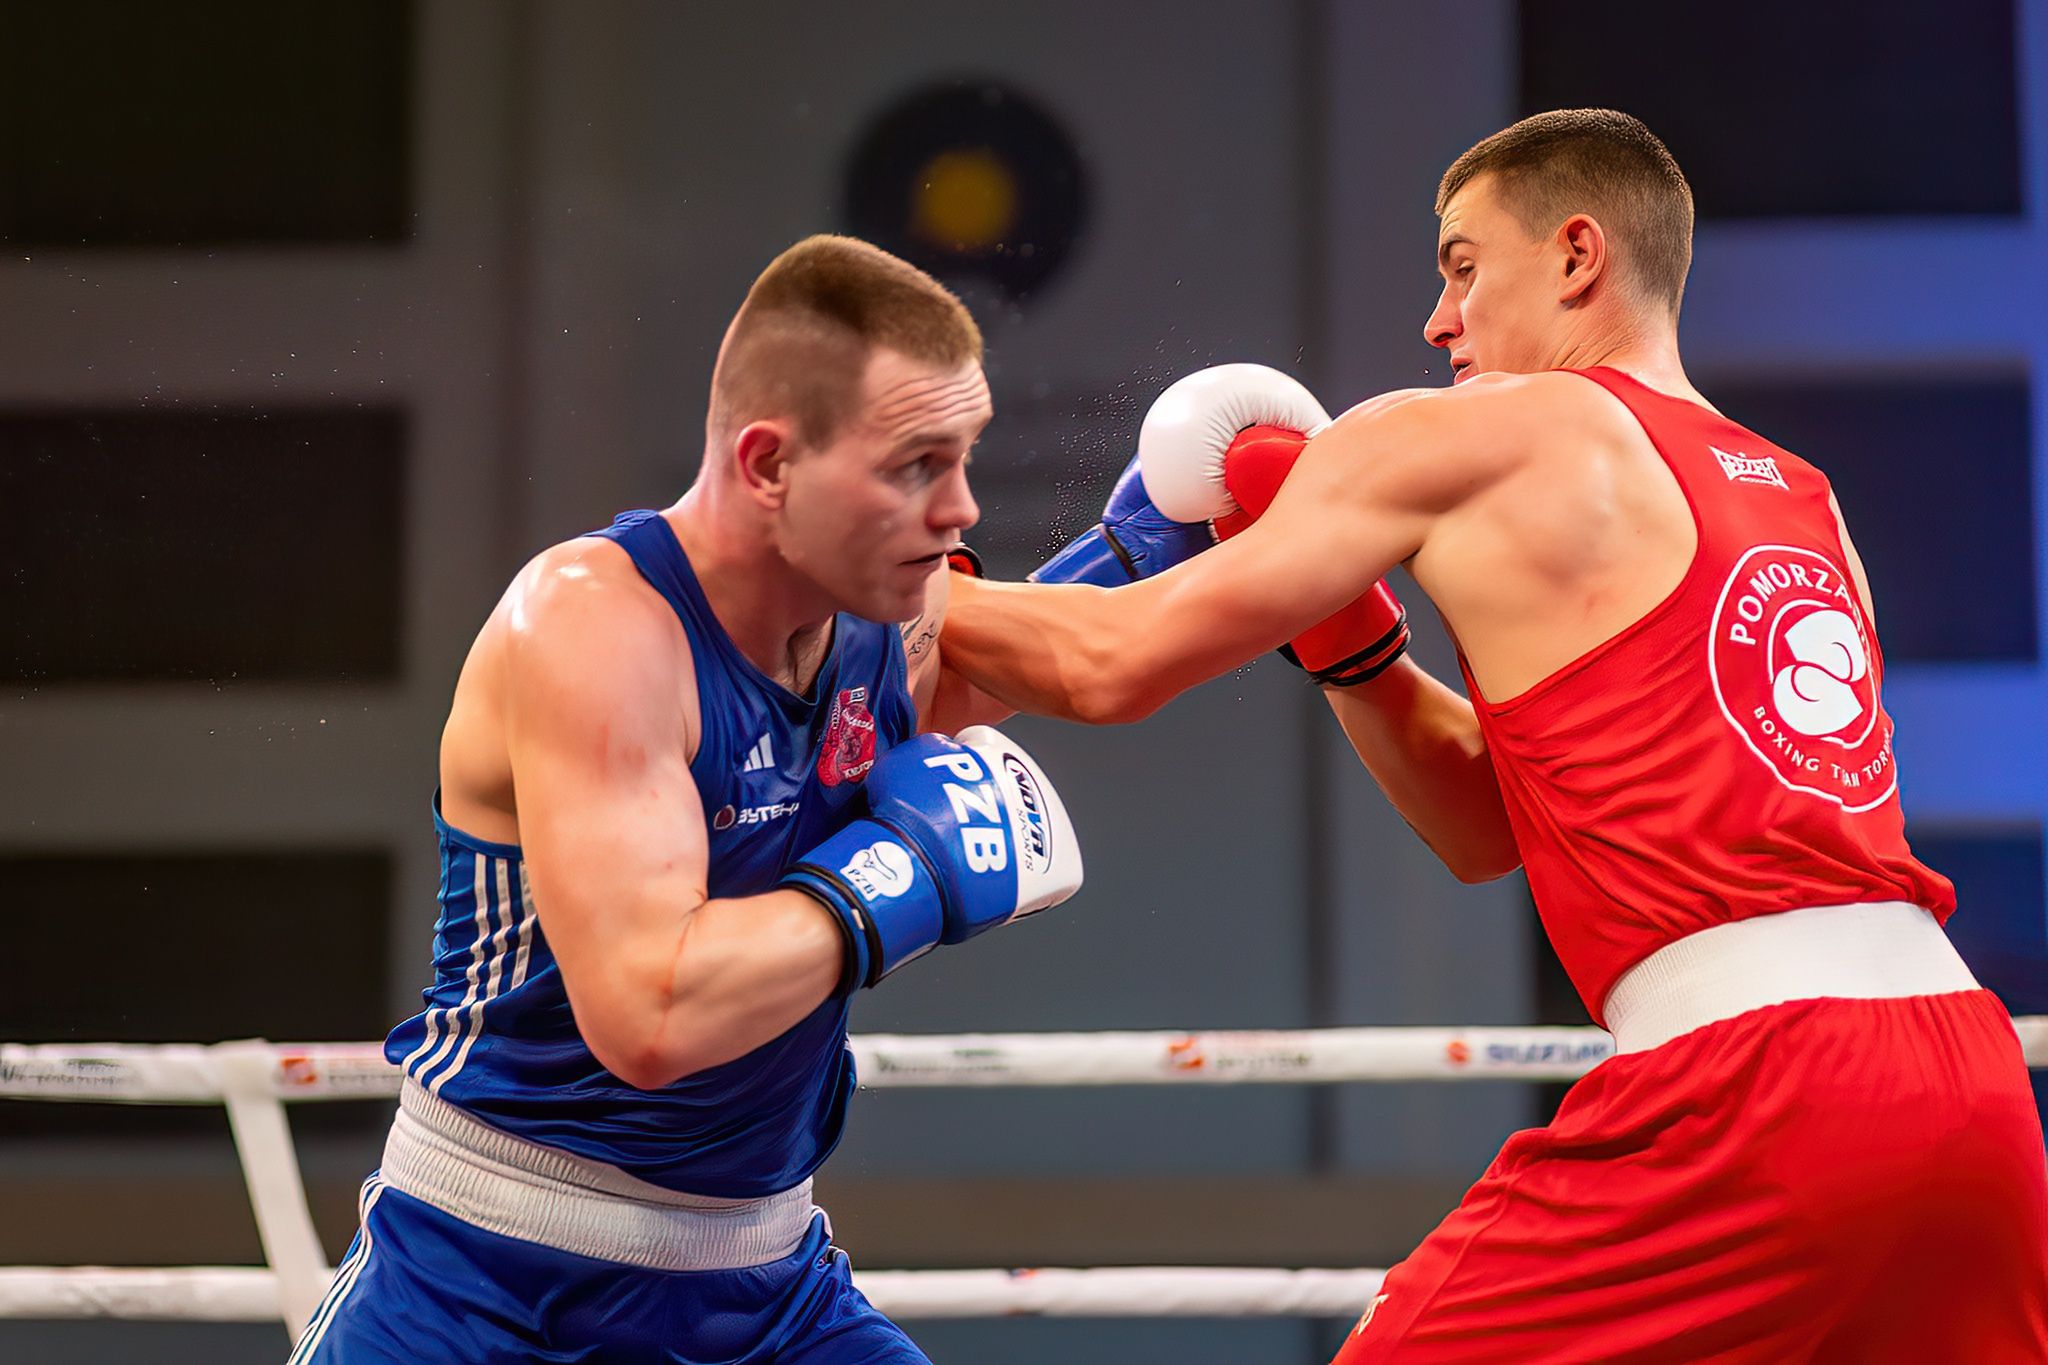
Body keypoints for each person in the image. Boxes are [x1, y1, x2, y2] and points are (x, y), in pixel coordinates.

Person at [940, 109, 2048, 1361]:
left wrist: (890, 578)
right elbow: (1487, 826)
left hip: (1750, 1097)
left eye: (1461, 266)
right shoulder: (1801, 496)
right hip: (1967, 1088)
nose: (1435, 320)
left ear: (1575, 256)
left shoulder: (1458, 432)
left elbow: (1110, 663)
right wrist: (1351, 648)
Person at [289, 234, 1083, 1365]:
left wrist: (1187, 535)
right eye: (915, 465)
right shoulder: (592, 626)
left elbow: (1100, 663)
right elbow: (649, 1018)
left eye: (962, 458)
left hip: (763, 1289)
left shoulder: (878, 616)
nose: (958, 509)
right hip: (490, 1286)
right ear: (767, 465)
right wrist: (895, 880)